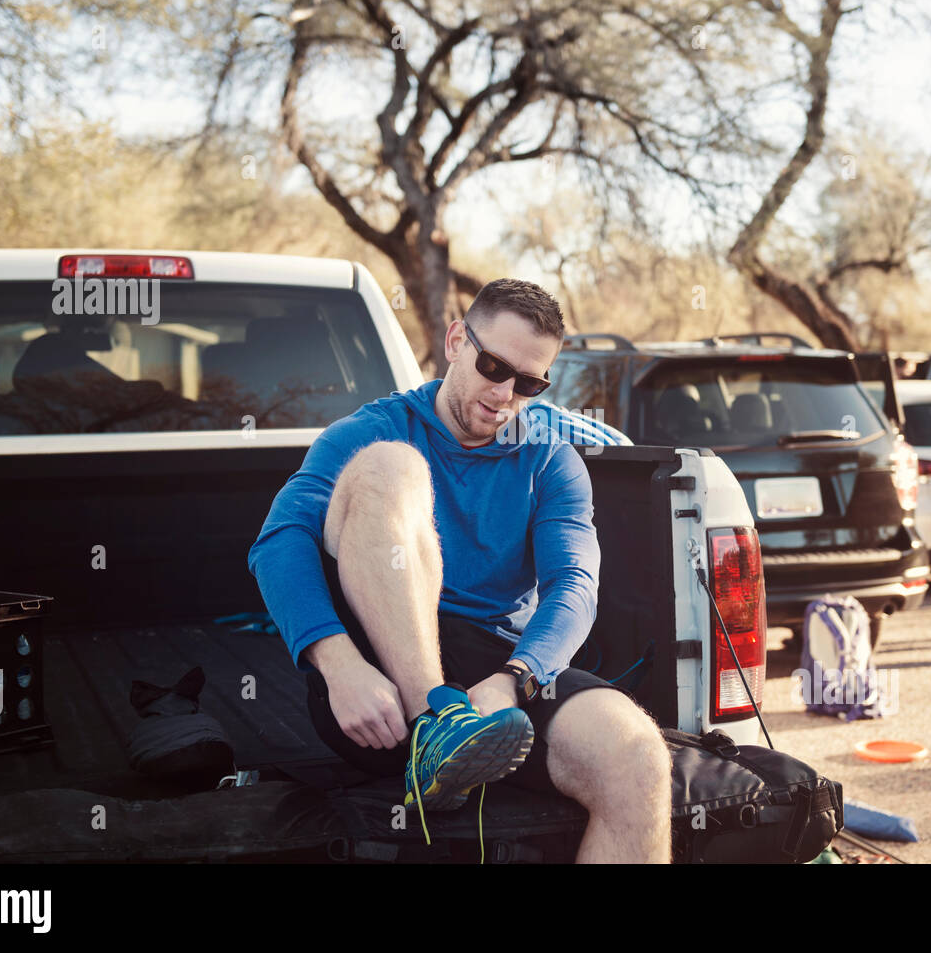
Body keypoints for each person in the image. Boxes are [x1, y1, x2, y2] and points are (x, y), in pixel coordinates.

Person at [247, 278, 672, 863]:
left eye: (529, 383)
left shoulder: (550, 458)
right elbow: (278, 543)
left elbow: (574, 584)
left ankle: (458, 731)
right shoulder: (371, 429)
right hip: (382, 685)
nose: (505, 394)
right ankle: (435, 725)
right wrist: (339, 664)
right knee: (389, 467)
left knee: (638, 758)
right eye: (493, 366)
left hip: (496, 678)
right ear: (455, 341)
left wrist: (515, 678)